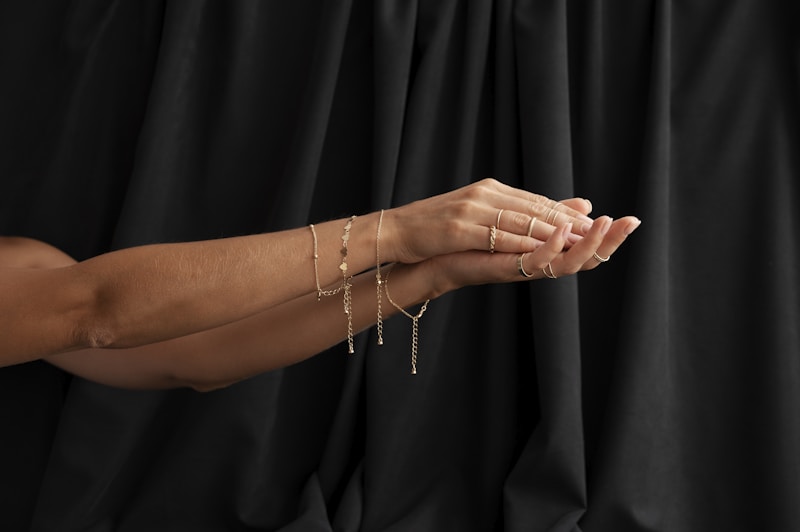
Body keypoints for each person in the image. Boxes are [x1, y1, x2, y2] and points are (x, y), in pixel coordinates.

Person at [0, 178, 640, 391]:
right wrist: (391, 232)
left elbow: (191, 356)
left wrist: (432, 274)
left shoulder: (19, 259)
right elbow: (96, 310)